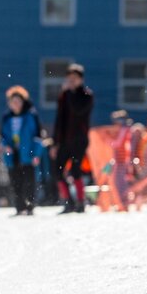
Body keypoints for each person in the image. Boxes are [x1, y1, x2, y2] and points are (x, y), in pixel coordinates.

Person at [52, 63, 94, 213]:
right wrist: (55, 142)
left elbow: (78, 110)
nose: (71, 81)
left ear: (81, 79)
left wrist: (70, 93)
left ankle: (80, 202)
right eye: (69, 78)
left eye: (74, 78)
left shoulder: (86, 95)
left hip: (79, 139)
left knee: (76, 170)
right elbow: (59, 119)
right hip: (64, 140)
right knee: (58, 170)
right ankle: (68, 201)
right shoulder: (64, 96)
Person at [1, 85, 42, 216]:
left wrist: (36, 154)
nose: (16, 104)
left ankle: (30, 206)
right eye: (13, 102)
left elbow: (38, 136)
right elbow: (2, 136)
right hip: (13, 154)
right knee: (15, 181)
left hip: (28, 153)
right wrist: (5, 146)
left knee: (29, 181)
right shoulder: (6, 117)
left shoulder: (31, 115)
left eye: (18, 101)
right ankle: (19, 207)